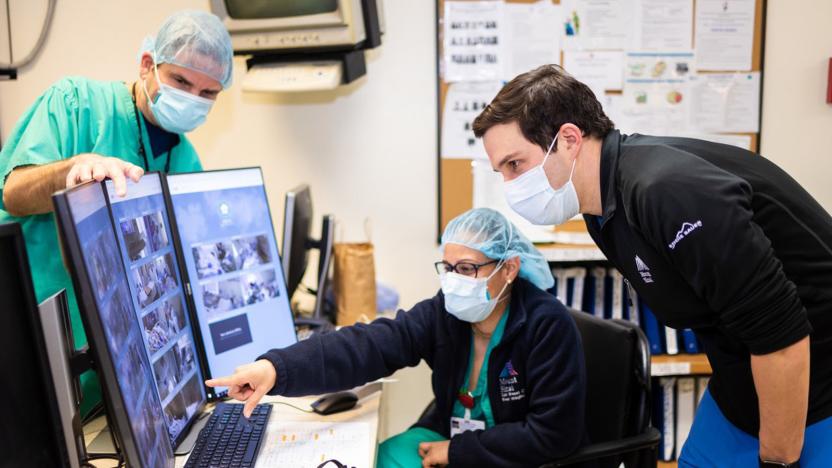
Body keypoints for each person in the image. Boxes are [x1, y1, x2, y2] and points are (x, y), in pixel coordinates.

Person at [471, 64, 832, 467]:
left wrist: (777, 462)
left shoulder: (665, 191)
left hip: (812, 382)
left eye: (515, 165)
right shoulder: (600, 206)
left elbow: (781, 338)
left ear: (569, 139)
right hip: (740, 380)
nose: (509, 185)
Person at [207, 208, 588, 468]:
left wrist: (457, 453)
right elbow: (372, 344)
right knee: (377, 458)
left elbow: (554, 435)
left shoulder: (546, 325)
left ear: (509, 268)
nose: (454, 280)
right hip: (447, 438)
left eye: (468, 268)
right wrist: (276, 369)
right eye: (448, 267)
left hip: (510, 456)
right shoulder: (447, 312)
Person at [0, 10, 233, 416]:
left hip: (109, 376)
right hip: (30, 343)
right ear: (147, 65)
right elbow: (13, 192)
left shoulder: (187, 161)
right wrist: (72, 171)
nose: (192, 99)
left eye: (208, 93)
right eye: (181, 81)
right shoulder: (76, 104)